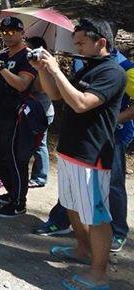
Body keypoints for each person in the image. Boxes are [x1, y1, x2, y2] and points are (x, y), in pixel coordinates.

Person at [28, 19, 125, 290]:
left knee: (96, 216)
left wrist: (55, 69)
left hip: (91, 154)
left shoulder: (112, 72)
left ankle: (99, 274)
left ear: (101, 42)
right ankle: (82, 249)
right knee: (71, 204)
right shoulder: (90, 67)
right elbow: (56, 95)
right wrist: (43, 70)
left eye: (81, 43)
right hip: (71, 150)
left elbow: (82, 103)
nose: (77, 48)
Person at [0, 16, 38, 218]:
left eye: (12, 32)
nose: (7, 36)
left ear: (21, 33)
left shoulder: (28, 57)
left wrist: (0, 67)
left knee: (14, 158)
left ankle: (19, 202)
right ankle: (12, 192)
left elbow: (22, 84)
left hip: (16, 114)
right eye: (4, 32)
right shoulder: (1, 54)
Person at [26, 37, 54, 188]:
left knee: (39, 145)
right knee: (35, 144)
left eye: (29, 49)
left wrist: (37, 69)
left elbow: (40, 88)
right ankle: (37, 175)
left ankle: (40, 178)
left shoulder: (46, 66)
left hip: (43, 111)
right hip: (36, 110)